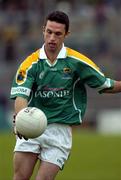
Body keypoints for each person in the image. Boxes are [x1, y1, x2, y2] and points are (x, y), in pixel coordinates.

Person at [10, 11, 121, 180]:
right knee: (20, 177)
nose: (52, 38)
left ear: (66, 34)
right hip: (31, 124)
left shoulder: (77, 61)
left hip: (59, 131)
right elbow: (21, 96)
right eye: (49, 32)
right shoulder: (30, 63)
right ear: (43, 30)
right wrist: (20, 118)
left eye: (57, 33)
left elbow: (105, 85)